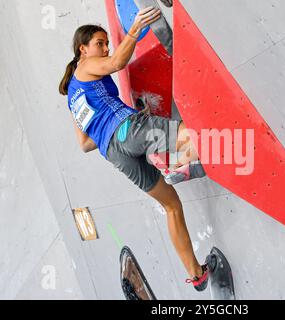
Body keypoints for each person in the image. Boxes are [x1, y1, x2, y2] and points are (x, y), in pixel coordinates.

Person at [58, 6, 208, 292]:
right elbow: (116, 63)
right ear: (83, 49)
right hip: (129, 129)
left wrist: (108, 129)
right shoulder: (85, 66)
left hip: (114, 154)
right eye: (99, 44)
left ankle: (197, 275)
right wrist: (135, 28)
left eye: (106, 43)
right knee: (204, 138)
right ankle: (180, 166)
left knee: (172, 205)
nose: (104, 48)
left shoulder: (73, 100)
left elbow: (85, 144)